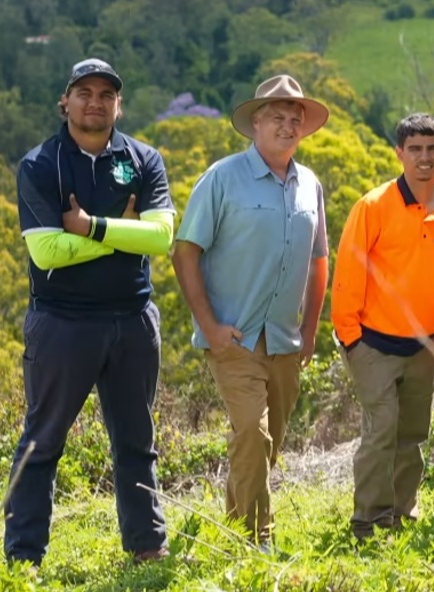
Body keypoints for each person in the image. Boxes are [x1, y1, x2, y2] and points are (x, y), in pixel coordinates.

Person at [6, 59, 176, 566]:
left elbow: (161, 237)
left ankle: (147, 545)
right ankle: (23, 558)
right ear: (65, 101)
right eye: (84, 92)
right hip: (63, 322)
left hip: (132, 320)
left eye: (106, 94)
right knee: (42, 442)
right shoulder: (40, 164)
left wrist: (90, 228)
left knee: (136, 439)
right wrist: (120, 234)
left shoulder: (144, 160)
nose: (95, 102)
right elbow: (47, 253)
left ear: (118, 104)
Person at [173, 74, 331, 548]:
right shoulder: (222, 178)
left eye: (294, 119)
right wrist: (210, 327)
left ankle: (237, 522)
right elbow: (185, 252)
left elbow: (320, 260)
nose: (287, 126)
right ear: (255, 122)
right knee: (252, 434)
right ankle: (254, 541)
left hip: (285, 339)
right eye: (277, 117)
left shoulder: (311, 186)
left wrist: (310, 329)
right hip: (235, 338)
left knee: (264, 444)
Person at [332, 114, 434, 540]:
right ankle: (367, 520)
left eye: (432, 148)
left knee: (413, 433)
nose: (425, 157)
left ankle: (402, 512)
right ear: (400, 154)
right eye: (415, 149)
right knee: (382, 428)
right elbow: (348, 273)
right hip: (372, 342)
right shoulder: (373, 205)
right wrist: (350, 338)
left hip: (426, 344)